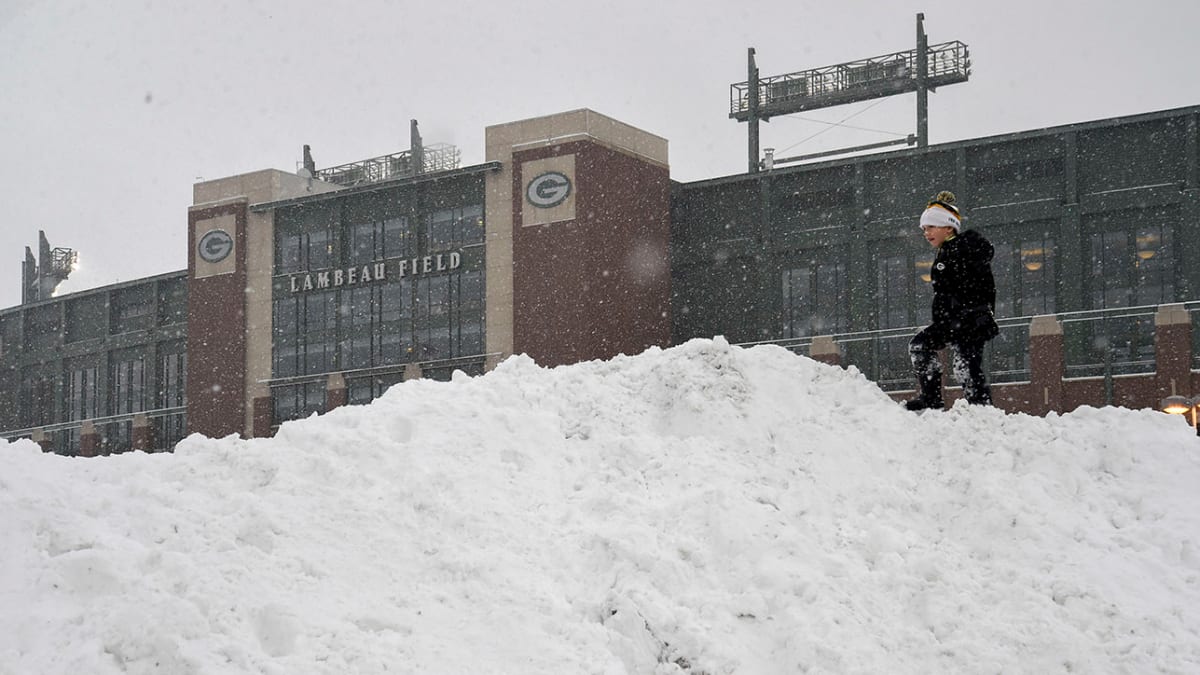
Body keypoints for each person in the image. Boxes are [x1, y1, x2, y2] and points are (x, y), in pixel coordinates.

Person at [904, 191, 999, 411]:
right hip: (950, 320)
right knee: (920, 346)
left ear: (948, 227)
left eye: (930, 227)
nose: (926, 233)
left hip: (971, 320)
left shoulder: (963, 247)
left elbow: (980, 268)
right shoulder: (946, 251)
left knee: (966, 366)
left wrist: (977, 312)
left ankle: (981, 410)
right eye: (924, 229)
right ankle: (931, 399)